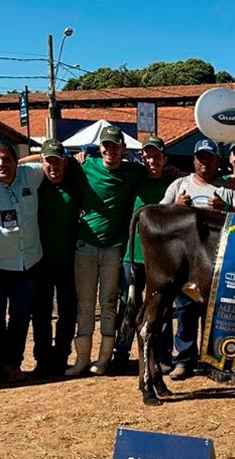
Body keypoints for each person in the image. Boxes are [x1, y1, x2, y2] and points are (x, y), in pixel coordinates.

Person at [160, 139, 235, 379]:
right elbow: (157, 215)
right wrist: (176, 207)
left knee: (218, 313)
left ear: (217, 160)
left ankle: (215, 361)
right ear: (194, 160)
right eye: (200, 157)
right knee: (186, 311)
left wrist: (226, 208)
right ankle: (184, 361)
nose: (204, 162)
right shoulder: (179, 184)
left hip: (220, 262)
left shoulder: (228, 188)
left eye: (209, 157)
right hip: (187, 263)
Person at [68, 125, 144, 376]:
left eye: (115, 146)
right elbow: (48, 160)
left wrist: (174, 169)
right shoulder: (85, 167)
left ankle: (103, 360)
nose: (110, 150)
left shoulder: (134, 171)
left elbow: (158, 171)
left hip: (114, 249)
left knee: (109, 303)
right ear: (99, 148)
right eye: (106, 146)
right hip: (85, 246)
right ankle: (81, 359)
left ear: (124, 149)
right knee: (85, 303)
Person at [0, 142, 45, 382]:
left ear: (16, 161)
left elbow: (46, 156)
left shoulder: (31, 174)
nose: (1, 164)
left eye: (6, 159)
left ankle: (13, 363)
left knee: (20, 316)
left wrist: (23, 162)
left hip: (27, 263)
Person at [113, 136, 174, 371]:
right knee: (128, 304)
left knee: (163, 306)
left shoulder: (173, 184)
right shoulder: (134, 180)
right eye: (147, 156)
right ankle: (122, 352)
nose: (151, 160)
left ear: (164, 158)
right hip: (133, 255)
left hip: (162, 260)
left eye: (156, 156)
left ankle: (163, 355)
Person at [29, 139, 84, 376]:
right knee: (40, 313)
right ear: (41, 162)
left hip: (69, 261)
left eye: (58, 161)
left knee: (68, 312)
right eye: (48, 161)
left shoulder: (74, 183)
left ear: (65, 162)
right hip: (40, 262)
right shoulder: (36, 184)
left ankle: (61, 356)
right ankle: (42, 359)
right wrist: (38, 158)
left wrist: (73, 161)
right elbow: (17, 166)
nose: (54, 167)